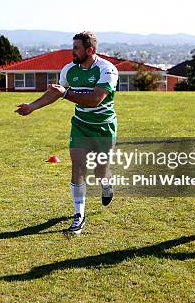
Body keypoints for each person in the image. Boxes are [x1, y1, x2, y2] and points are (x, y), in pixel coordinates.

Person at [15, 31, 119, 236]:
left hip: (104, 126)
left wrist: (67, 94)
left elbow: (96, 99)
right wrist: (32, 106)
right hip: (80, 124)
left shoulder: (107, 70)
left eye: (76, 48)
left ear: (90, 50)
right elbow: (56, 91)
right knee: (78, 167)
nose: (72, 51)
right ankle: (79, 216)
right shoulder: (69, 70)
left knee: (100, 171)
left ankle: (106, 183)